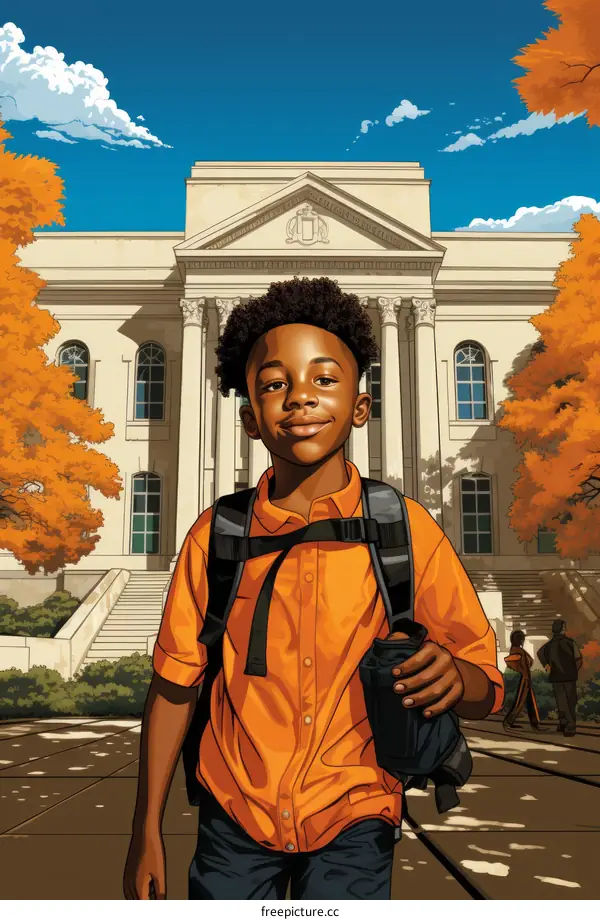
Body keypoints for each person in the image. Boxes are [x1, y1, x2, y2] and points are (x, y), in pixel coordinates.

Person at [123, 277, 504, 901]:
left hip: (356, 814)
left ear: (361, 406)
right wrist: (147, 829)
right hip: (234, 817)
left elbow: (486, 684)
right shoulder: (216, 536)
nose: (301, 397)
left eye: (324, 379)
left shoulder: (404, 531)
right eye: (276, 384)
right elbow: (174, 688)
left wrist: (455, 678)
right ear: (250, 418)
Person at [538, 620, 582, 737]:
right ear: (562, 629)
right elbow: (578, 659)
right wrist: (574, 670)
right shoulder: (570, 643)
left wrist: (546, 665)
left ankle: (563, 722)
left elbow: (540, 653)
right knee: (570, 701)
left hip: (556, 677)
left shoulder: (549, 645)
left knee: (561, 701)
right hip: (569, 677)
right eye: (565, 627)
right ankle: (570, 726)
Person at [503, 630, 547, 732]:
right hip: (524, 679)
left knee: (529, 702)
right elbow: (526, 666)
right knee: (520, 701)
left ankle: (534, 724)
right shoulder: (520, 651)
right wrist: (527, 679)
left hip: (523, 678)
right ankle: (508, 722)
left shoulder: (514, 650)